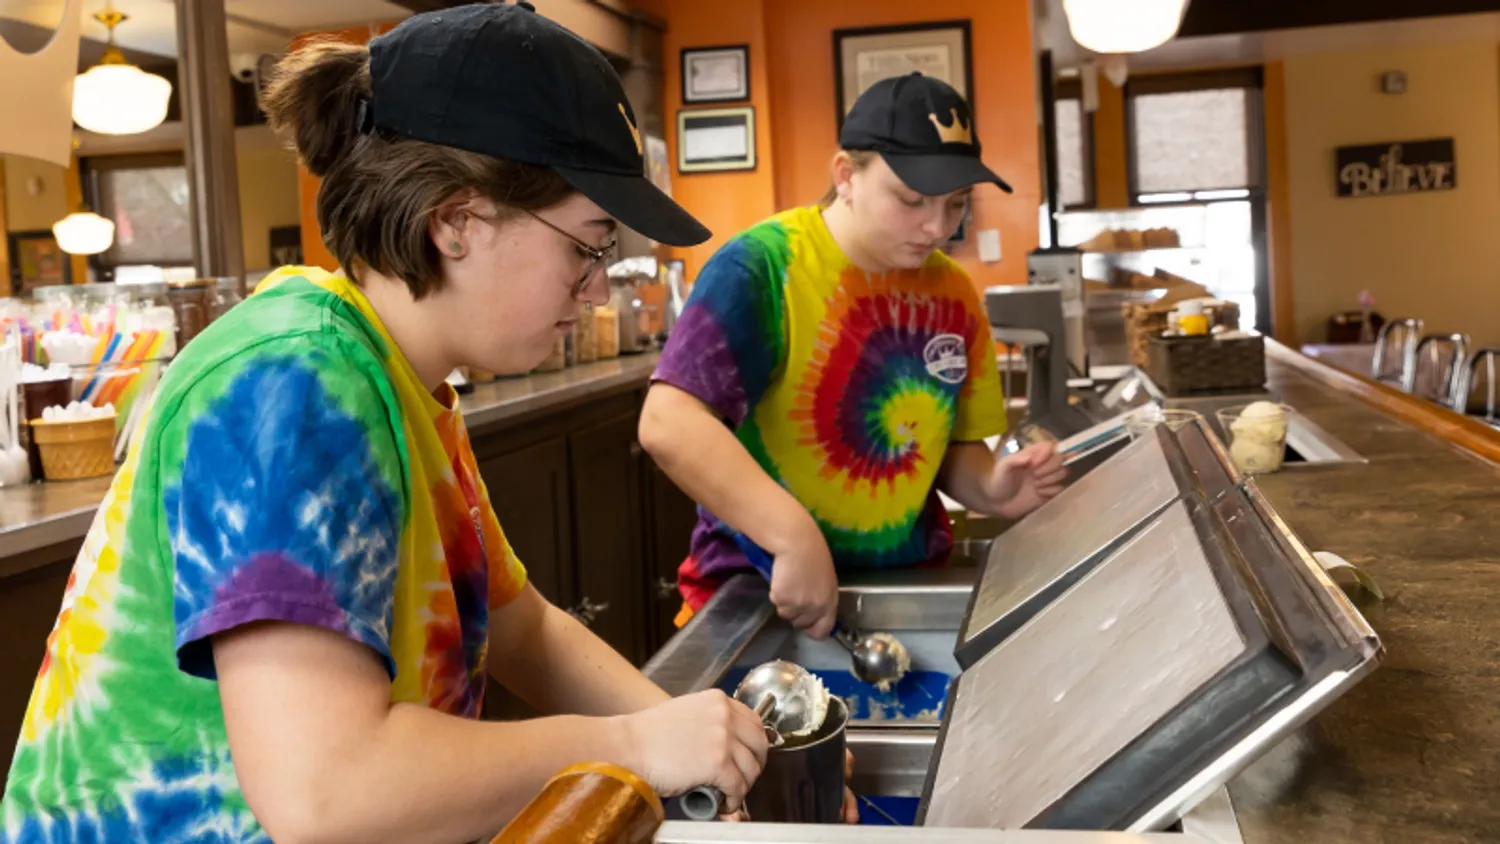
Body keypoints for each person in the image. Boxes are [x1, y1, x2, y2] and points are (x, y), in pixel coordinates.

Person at [0, 6, 773, 842]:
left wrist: (702, 744)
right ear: (456, 221)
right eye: (588, 247)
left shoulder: (400, 376)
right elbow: (326, 793)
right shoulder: (293, 384)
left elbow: (521, 627)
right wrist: (631, 745)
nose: (596, 290)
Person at [640, 73, 1068, 637]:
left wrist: (991, 488)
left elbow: (948, 449)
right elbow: (668, 423)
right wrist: (792, 535)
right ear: (845, 175)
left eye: (955, 204)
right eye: (911, 200)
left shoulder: (953, 293)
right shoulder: (764, 268)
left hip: (907, 594)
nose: (937, 227)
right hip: (757, 597)